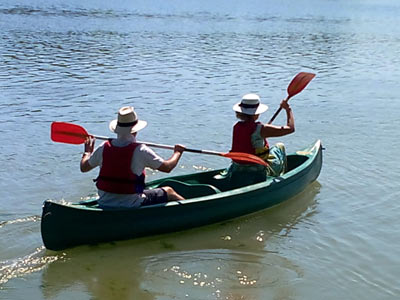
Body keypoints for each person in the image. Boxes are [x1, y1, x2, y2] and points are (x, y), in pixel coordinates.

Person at [80, 106, 186, 208]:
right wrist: (178, 152)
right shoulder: (140, 150)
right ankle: (192, 209)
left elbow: (84, 168)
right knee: (169, 191)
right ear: (135, 130)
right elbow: (167, 167)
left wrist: (87, 152)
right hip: (131, 203)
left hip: (104, 202)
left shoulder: (103, 147)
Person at [223, 93, 295, 186]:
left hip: (238, 167)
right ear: (256, 113)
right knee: (279, 147)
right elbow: (290, 129)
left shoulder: (237, 127)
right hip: (257, 170)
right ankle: (281, 179)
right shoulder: (261, 129)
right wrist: (288, 110)